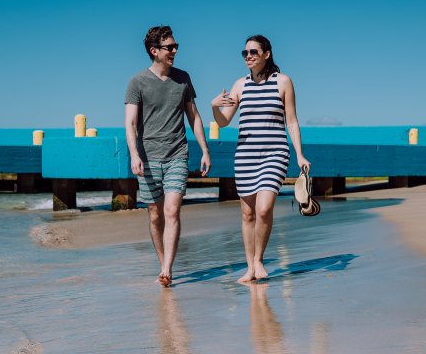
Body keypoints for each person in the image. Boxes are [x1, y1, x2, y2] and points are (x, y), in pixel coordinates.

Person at [211, 35, 311, 283]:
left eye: (253, 52)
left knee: (264, 209)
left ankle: (259, 260)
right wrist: (214, 106)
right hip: (245, 155)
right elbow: (224, 122)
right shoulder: (240, 85)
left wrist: (299, 153)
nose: (248, 56)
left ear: (267, 54)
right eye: (244, 53)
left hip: (275, 153)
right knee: (247, 214)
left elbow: (292, 121)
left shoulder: (283, 82)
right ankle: (250, 267)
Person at [125, 25, 212, 288]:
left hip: (177, 153)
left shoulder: (183, 78)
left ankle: (167, 269)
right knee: (155, 214)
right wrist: (134, 155)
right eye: (169, 47)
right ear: (155, 51)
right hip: (148, 157)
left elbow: (194, 117)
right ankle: (163, 262)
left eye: (176, 47)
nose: (174, 51)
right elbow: (130, 124)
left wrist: (205, 150)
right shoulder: (137, 82)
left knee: (172, 211)